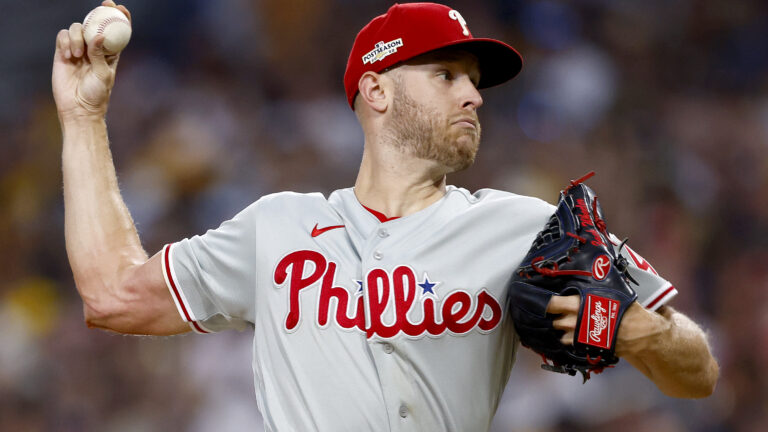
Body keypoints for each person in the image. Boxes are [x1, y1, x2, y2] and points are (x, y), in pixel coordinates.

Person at [53, 1, 719, 430]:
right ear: (376, 88)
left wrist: (644, 335)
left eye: (474, 81)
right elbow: (112, 294)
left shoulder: (522, 226)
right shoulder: (277, 226)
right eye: (447, 75)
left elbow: (698, 373)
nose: (473, 96)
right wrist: (83, 118)